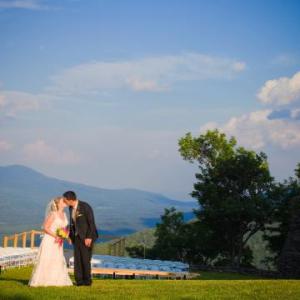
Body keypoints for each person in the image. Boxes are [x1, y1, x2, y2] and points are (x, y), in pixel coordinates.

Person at [29, 197, 73, 287]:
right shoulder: (53, 214)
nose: (65, 202)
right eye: (62, 201)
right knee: (48, 258)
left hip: (59, 241)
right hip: (50, 240)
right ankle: (42, 280)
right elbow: (45, 227)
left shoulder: (64, 214)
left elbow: (64, 228)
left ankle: (56, 280)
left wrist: (66, 236)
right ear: (57, 203)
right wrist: (55, 236)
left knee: (57, 259)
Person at [63, 191, 98, 286]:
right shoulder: (70, 208)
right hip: (76, 237)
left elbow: (91, 223)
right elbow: (72, 223)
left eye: (65, 200)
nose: (64, 201)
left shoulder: (85, 206)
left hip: (87, 237)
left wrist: (89, 237)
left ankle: (87, 281)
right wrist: (70, 236)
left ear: (70, 200)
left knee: (85, 259)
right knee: (77, 259)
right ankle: (79, 281)